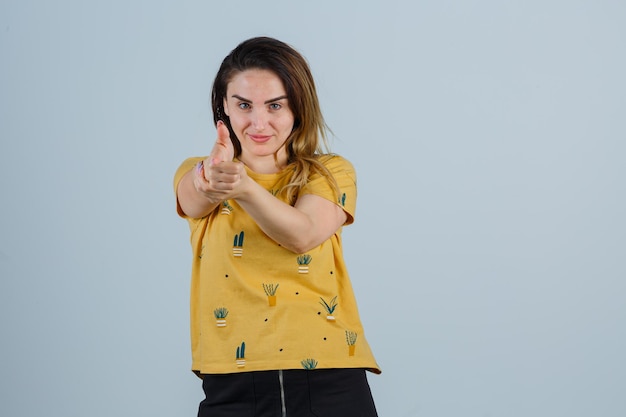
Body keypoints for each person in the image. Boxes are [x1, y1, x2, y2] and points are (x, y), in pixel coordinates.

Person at [174, 36, 380, 417]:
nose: (258, 122)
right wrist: (210, 178)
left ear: (297, 107)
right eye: (243, 105)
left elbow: (302, 234)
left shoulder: (330, 172)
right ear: (224, 105)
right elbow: (193, 195)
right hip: (231, 382)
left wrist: (244, 188)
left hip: (329, 378)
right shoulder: (199, 172)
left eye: (275, 105)